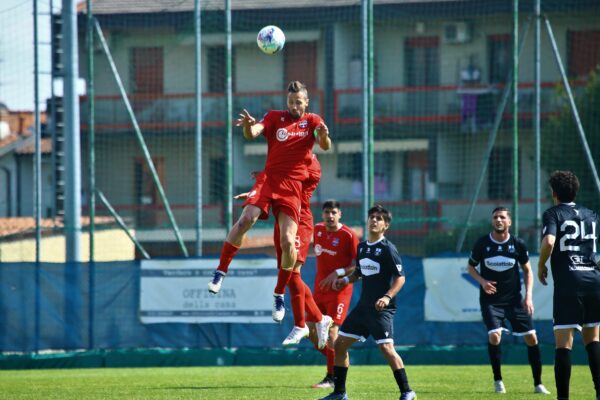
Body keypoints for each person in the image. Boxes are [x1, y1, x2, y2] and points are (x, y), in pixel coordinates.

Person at [207, 81, 331, 298]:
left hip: (292, 187)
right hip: (268, 180)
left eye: (298, 102)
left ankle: (279, 294)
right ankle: (220, 271)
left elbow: (325, 145)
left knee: (287, 242)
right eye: (291, 102)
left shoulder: (312, 121)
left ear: (307, 103)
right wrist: (248, 125)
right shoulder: (274, 117)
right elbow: (252, 133)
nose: (294, 106)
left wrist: (323, 135)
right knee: (246, 219)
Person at [320, 205, 417, 400]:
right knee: (339, 345)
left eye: (379, 219)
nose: (374, 220)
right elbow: (360, 272)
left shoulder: (388, 249)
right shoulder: (362, 247)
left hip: (381, 309)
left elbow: (401, 278)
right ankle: (339, 393)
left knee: (386, 348)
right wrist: (346, 280)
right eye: (372, 217)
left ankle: (407, 391)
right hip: (363, 308)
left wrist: (387, 297)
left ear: (385, 226)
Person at [467, 207, 551, 395]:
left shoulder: (518, 244)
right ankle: (498, 380)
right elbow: (470, 268)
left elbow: (528, 271)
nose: (499, 220)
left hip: (514, 301)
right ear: (492, 221)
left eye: (502, 217)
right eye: (495, 217)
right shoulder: (482, 244)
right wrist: (482, 281)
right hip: (490, 302)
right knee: (495, 336)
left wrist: (528, 296)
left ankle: (538, 384)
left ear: (509, 222)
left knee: (532, 338)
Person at [538, 170, 600, 400]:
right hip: (593, 280)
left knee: (564, 342)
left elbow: (549, 241)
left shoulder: (553, 213)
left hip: (569, 283)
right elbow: (594, 254)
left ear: (553, 193)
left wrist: (541, 264)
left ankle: (563, 397)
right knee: (593, 339)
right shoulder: (591, 215)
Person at [310, 199, 359, 389]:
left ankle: (332, 377)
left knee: (331, 334)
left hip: (339, 291)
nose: (330, 216)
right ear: (322, 215)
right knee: (309, 330)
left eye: (334, 212)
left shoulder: (348, 235)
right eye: (327, 212)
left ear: (340, 215)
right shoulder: (317, 230)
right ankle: (339, 360)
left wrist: (337, 273)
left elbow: (358, 264)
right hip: (319, 289)